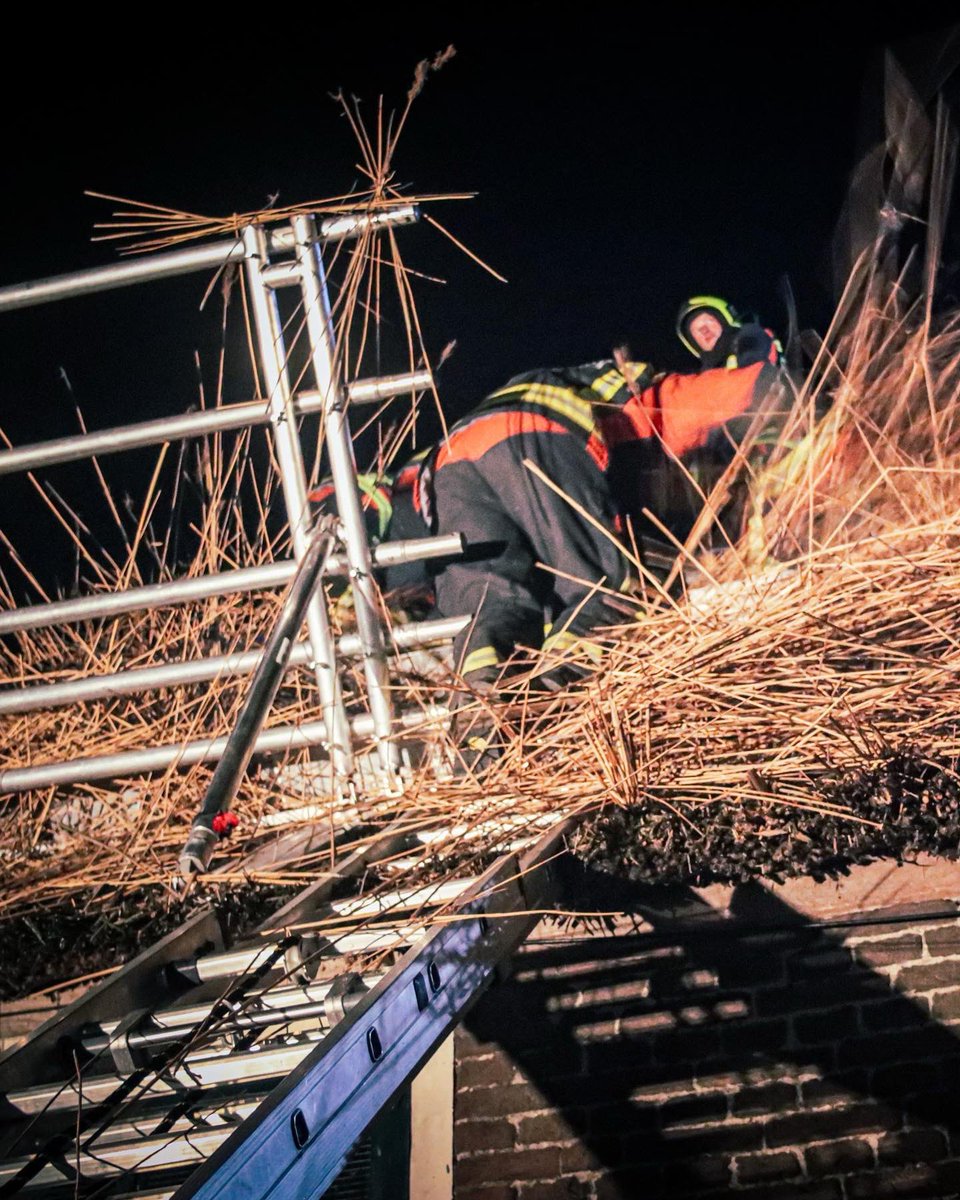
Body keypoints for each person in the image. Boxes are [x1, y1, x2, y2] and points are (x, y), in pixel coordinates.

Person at [419, 341, 782, 717]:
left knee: (491, 609)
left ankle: (481, 727)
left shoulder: (583, 383)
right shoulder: (645, 399)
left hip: (448, 464)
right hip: (534, 430)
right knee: (605, 591)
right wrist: (775, 384)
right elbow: (712, 397)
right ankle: (555, 712)